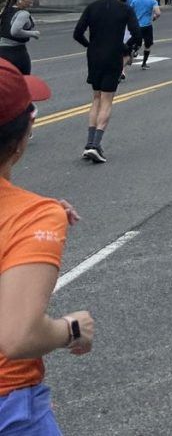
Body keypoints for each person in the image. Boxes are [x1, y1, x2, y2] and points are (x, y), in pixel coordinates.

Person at [0, 59, 95, 434]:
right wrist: (72, 328)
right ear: (24, 137)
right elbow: (19, 336)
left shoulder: (32, 211)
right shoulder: (31, 217)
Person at [73, 0, 141, 163]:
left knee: (96, 97)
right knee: (107, 99)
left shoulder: (92, 7)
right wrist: (126, 48)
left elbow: (77, 33)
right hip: (113, 55)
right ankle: (96, 144)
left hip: (94, 56)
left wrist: (90, 45)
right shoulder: (125, 9)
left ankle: (88, 143)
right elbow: (136, 33)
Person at [0, 0, 39, 74]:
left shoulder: (5, 11)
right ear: (19, 0)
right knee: (23, 81)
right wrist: (34, 34)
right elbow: (15, 31)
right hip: (17, 53)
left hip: (2, 52)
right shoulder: (23, 14)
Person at [132, 0, 161, 70]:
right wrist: (155, 17)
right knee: (148, 45)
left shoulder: (135, 0)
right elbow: (158, 13)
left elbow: (130, 10)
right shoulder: (153, 1)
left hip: (137, 25)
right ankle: (144, 63)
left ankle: (133, 51)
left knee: (137, 42)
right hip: (147, 26)